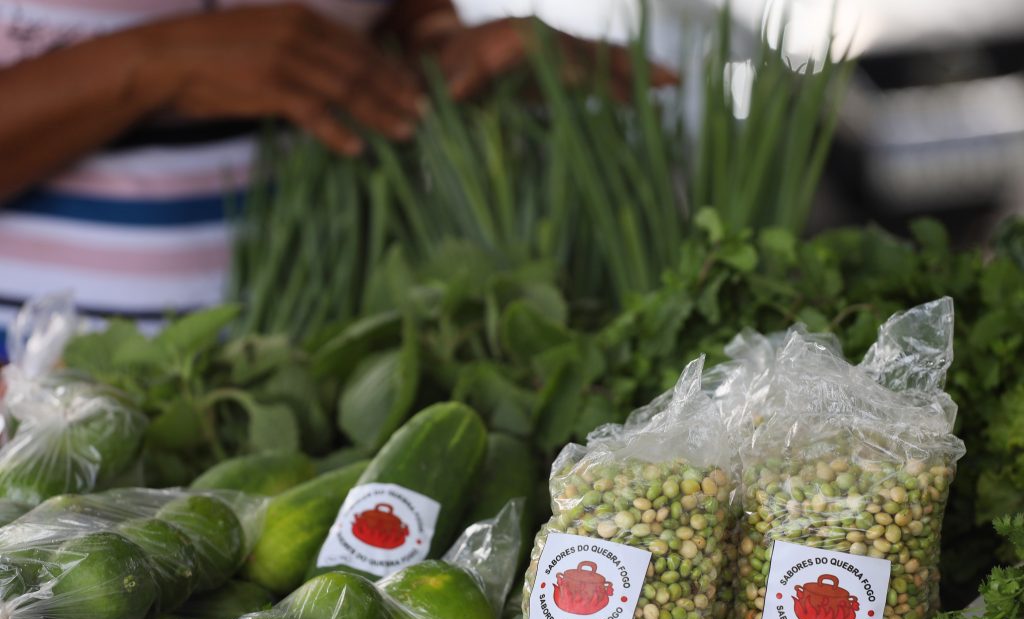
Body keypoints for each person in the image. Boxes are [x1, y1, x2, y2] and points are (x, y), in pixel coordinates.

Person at [0, 0, 676, 358]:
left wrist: (446, 52)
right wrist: (154, 65)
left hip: (313, 370)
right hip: (28, 376)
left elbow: (395, 18)